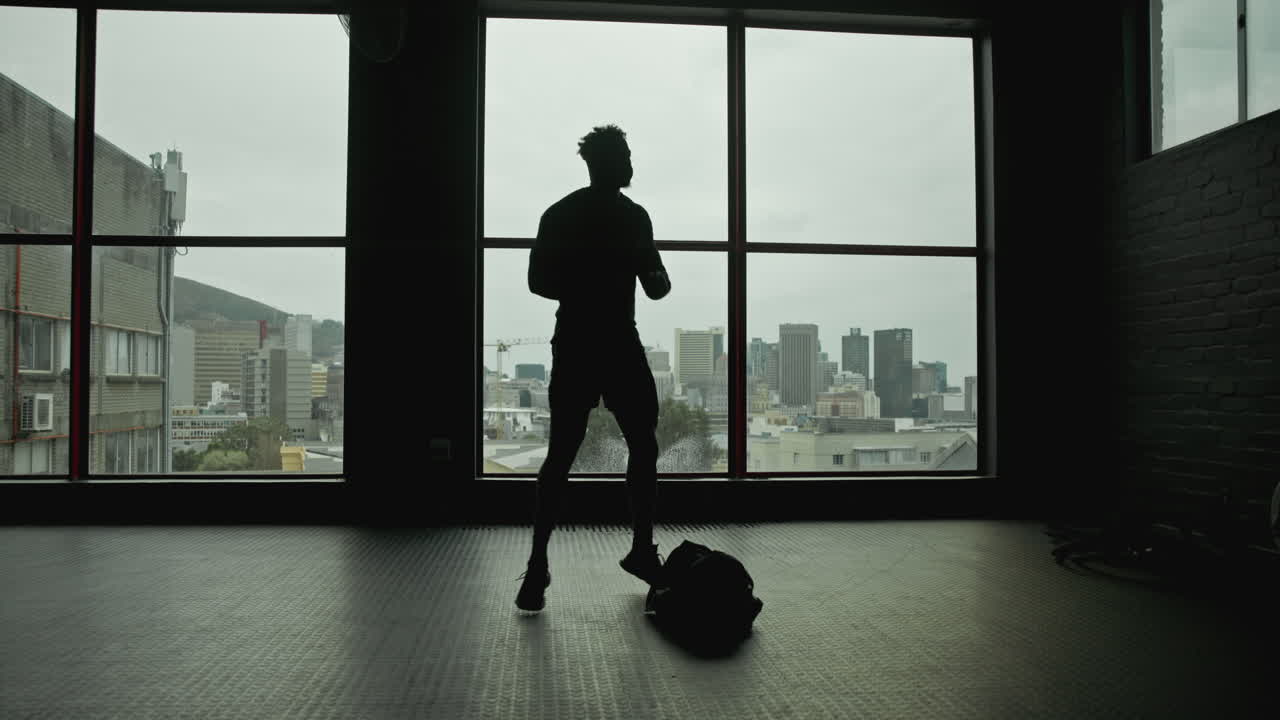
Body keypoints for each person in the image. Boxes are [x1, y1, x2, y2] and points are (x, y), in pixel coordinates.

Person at [515, 124, 671, 614]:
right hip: (619, 342)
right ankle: (642, 548)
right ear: (611, 161)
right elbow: (657, 288)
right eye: (626, 154)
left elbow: (538, 281)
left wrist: (582, 281)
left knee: (559, 455)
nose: (631, 164)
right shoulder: (635, 218)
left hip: (577, 341)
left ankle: (537, 567)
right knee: (643, 444)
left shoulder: (559, 214)